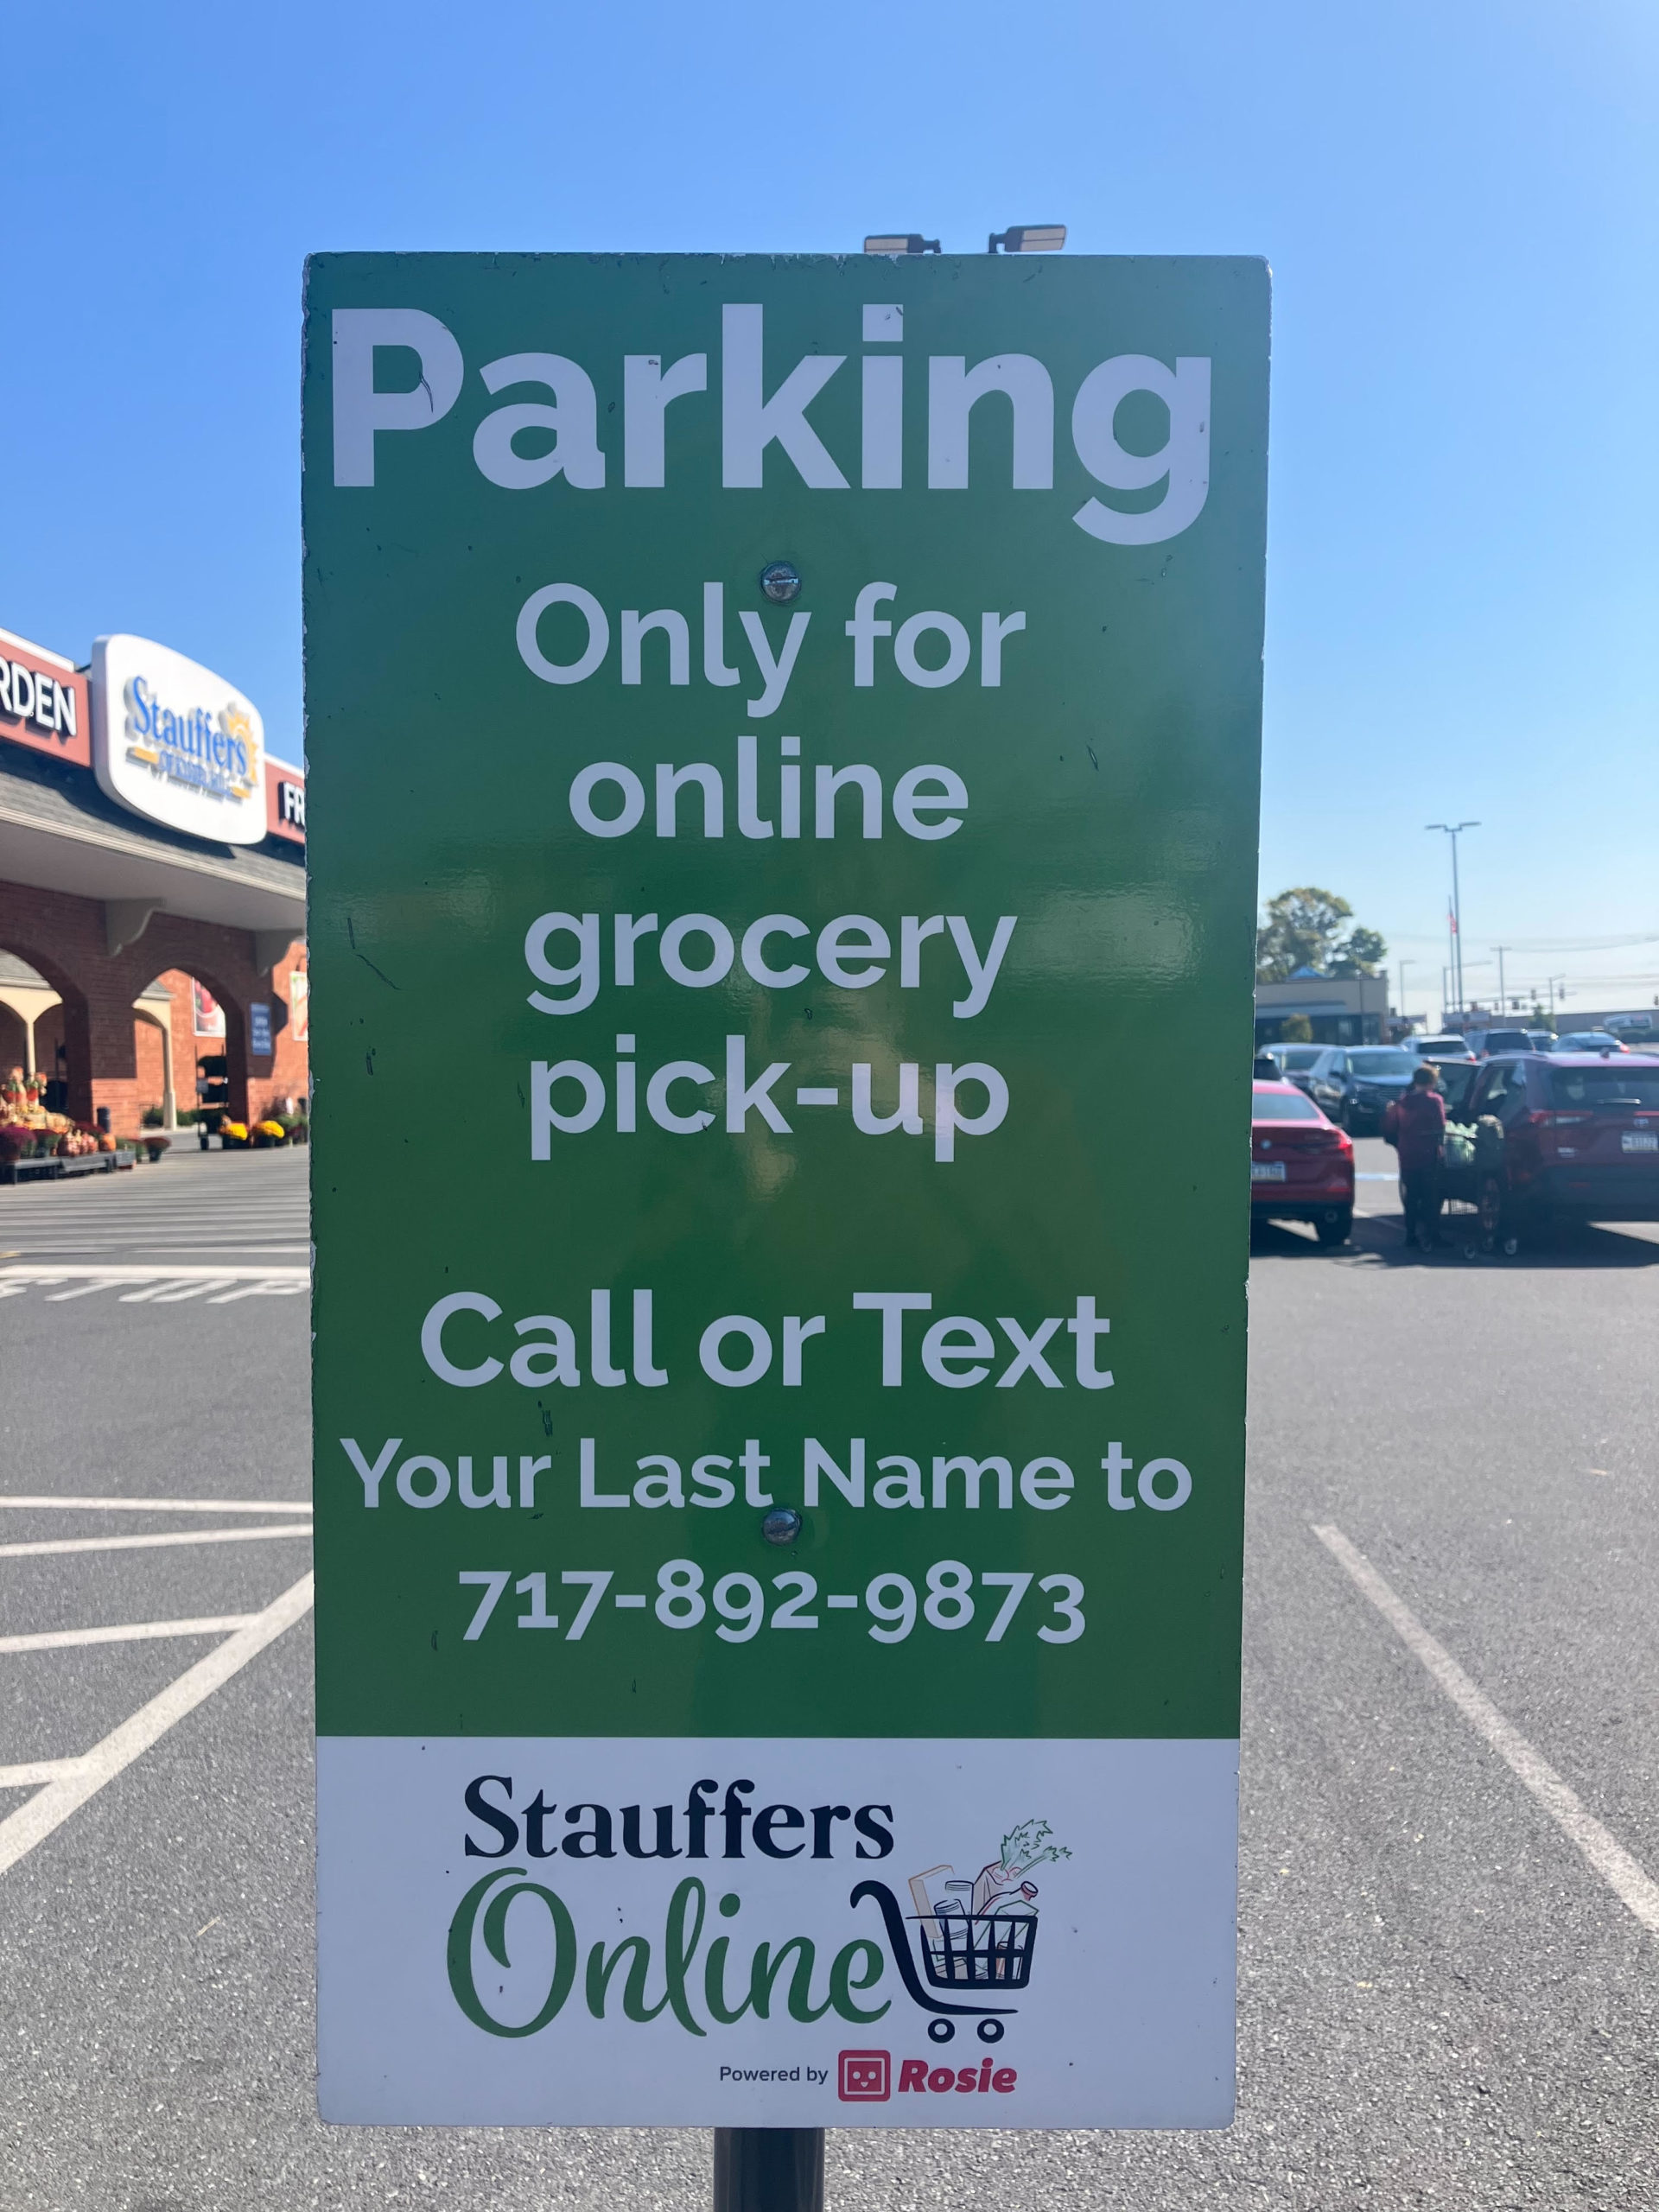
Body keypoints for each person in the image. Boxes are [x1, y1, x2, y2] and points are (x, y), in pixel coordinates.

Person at [1384, 1064, 1447, 1251]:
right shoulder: (1434, 1101)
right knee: (1431, 1196)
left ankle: (1410, 1235)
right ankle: (1432, 1235)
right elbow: (1441, 1126)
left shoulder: (1403, 1102)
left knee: (1411, 1196)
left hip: (1407, 1154)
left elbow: (1391, 1127)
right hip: (1428, 1154)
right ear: (1431, 1082)